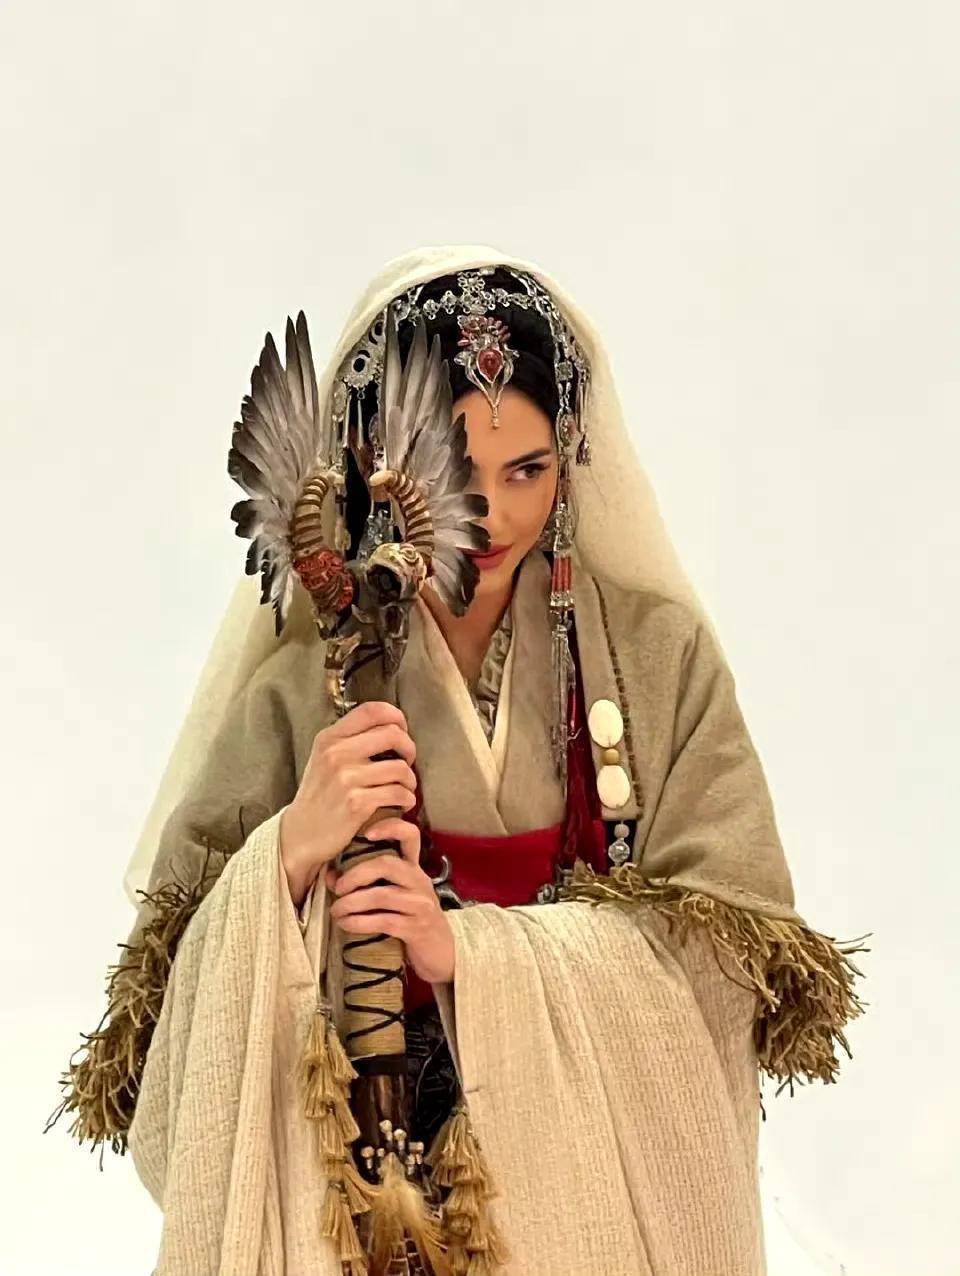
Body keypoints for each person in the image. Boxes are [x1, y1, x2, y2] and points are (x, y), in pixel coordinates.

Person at [50, 245, 868, 1276]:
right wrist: (289, 857)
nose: (491, 515)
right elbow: (184, 1027)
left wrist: (469, 957)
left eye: (527, 470)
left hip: (589, 1192)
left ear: (571, 454)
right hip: (358, 1179)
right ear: (374, 461)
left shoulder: (661, 664)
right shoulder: (303, 683)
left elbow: (719, 978)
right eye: (449, 471)